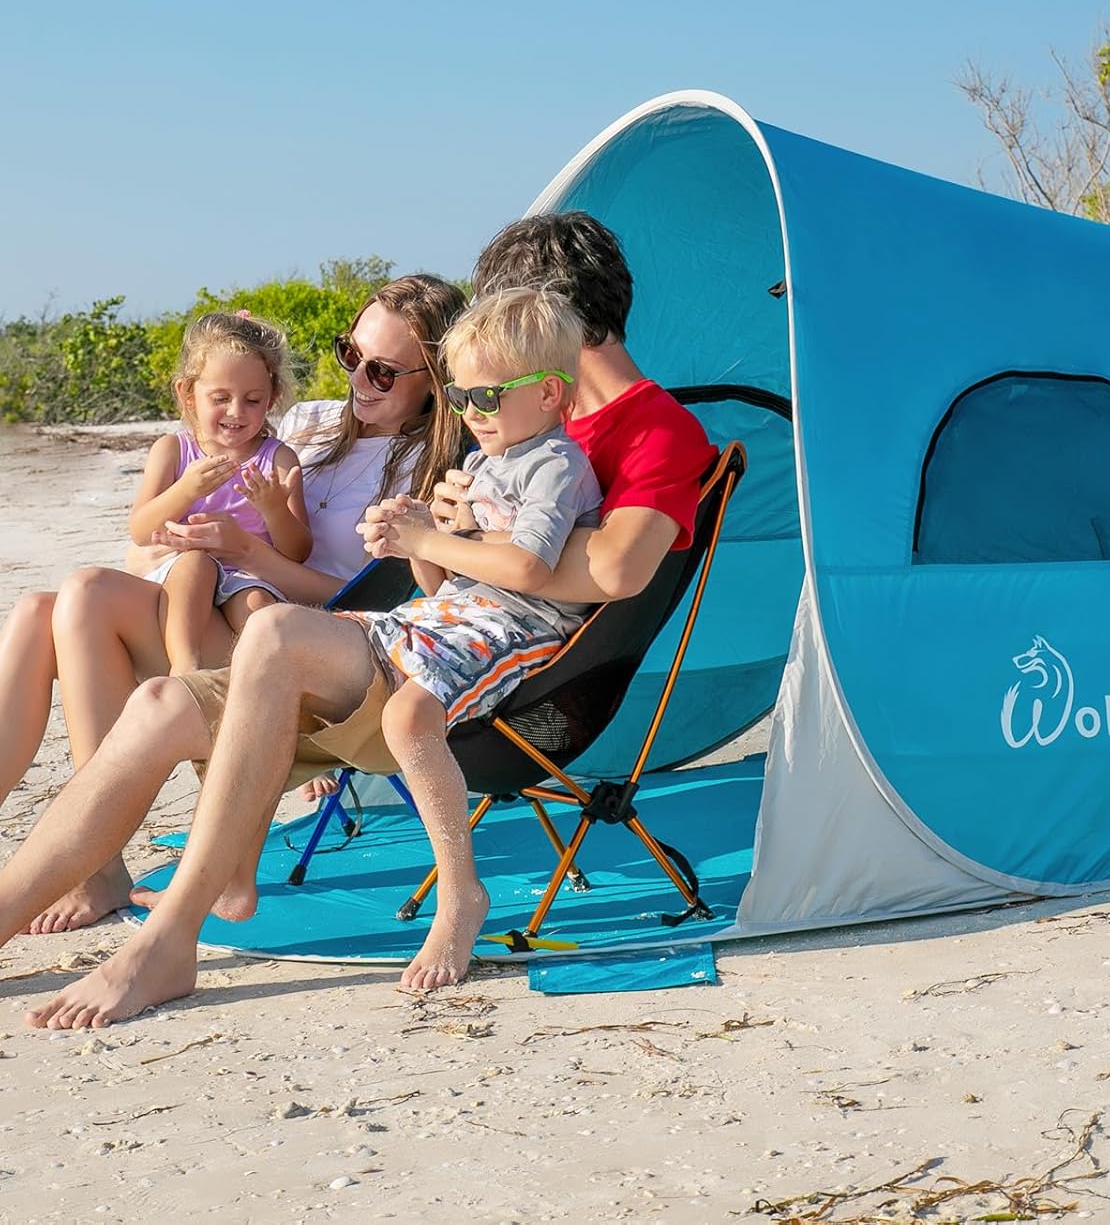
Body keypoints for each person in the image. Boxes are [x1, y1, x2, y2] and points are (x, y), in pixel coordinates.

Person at [2, 212, 713, 1029]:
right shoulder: (513, 427)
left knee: (274, 632)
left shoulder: (646, 428)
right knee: (163, 702)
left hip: (489, 690)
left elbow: (617, 570)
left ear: (552, 322)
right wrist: (443, 527)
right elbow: (467, 563)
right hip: (417, 637)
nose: (474, 395)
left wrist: (458, 536)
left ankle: (169, 942)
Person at [0, 273, 467, 934]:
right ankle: (94, 858)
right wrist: (175, 551)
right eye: (350, 354)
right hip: (212, 603)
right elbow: (162, 520)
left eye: (384, 371)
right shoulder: (308, 423)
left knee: (82, 597)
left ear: (435, 376)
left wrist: (245, 553)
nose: (360, 379)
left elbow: (371, 600)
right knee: (40, 611)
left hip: (304, 640)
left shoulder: (427, 466)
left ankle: (98, 864)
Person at [335, 286, 602, 990]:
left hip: (523, 626)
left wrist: (430, 538)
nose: (467, 412)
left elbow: (529, 568)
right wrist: (414, 536)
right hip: (461, 615)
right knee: (314, 645)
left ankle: (461, 896)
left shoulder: (554, 465)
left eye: (485, 397)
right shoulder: (485, 461)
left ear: (548, 393)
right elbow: (439, 582)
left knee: (407, 716)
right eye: (458, 396)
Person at [131, 311, 311, 677]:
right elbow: (140, 530)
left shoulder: (278, 459)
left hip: (249, 574)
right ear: (188, 394)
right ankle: (185, 669)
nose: (236, 411)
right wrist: (186, 490)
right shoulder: (173, 451)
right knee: (195, 565)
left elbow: (298, 553)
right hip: (181, 570)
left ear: (272, 398)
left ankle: (264, 682)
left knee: (259, 606)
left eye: (253, 400)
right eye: (220, 398)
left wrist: (275, 510)